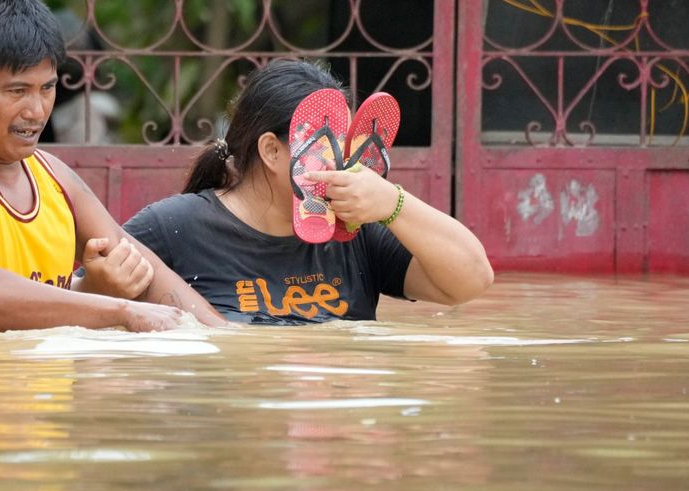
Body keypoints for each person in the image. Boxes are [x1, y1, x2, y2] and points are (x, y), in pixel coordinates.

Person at [0, 0, 227, 334]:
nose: (37, 110)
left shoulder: (54, 176)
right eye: (17, 91)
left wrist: (224, 335)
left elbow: (141, 267)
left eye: (47, 88)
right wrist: (120, 309)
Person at [123, 60, 493, 324]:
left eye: (347, 145)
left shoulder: (357, 232)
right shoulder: (174, 227)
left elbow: (472, 281)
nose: (343, 162)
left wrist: (393, 203)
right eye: (325, 145)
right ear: (271, 150)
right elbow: (81, 297)